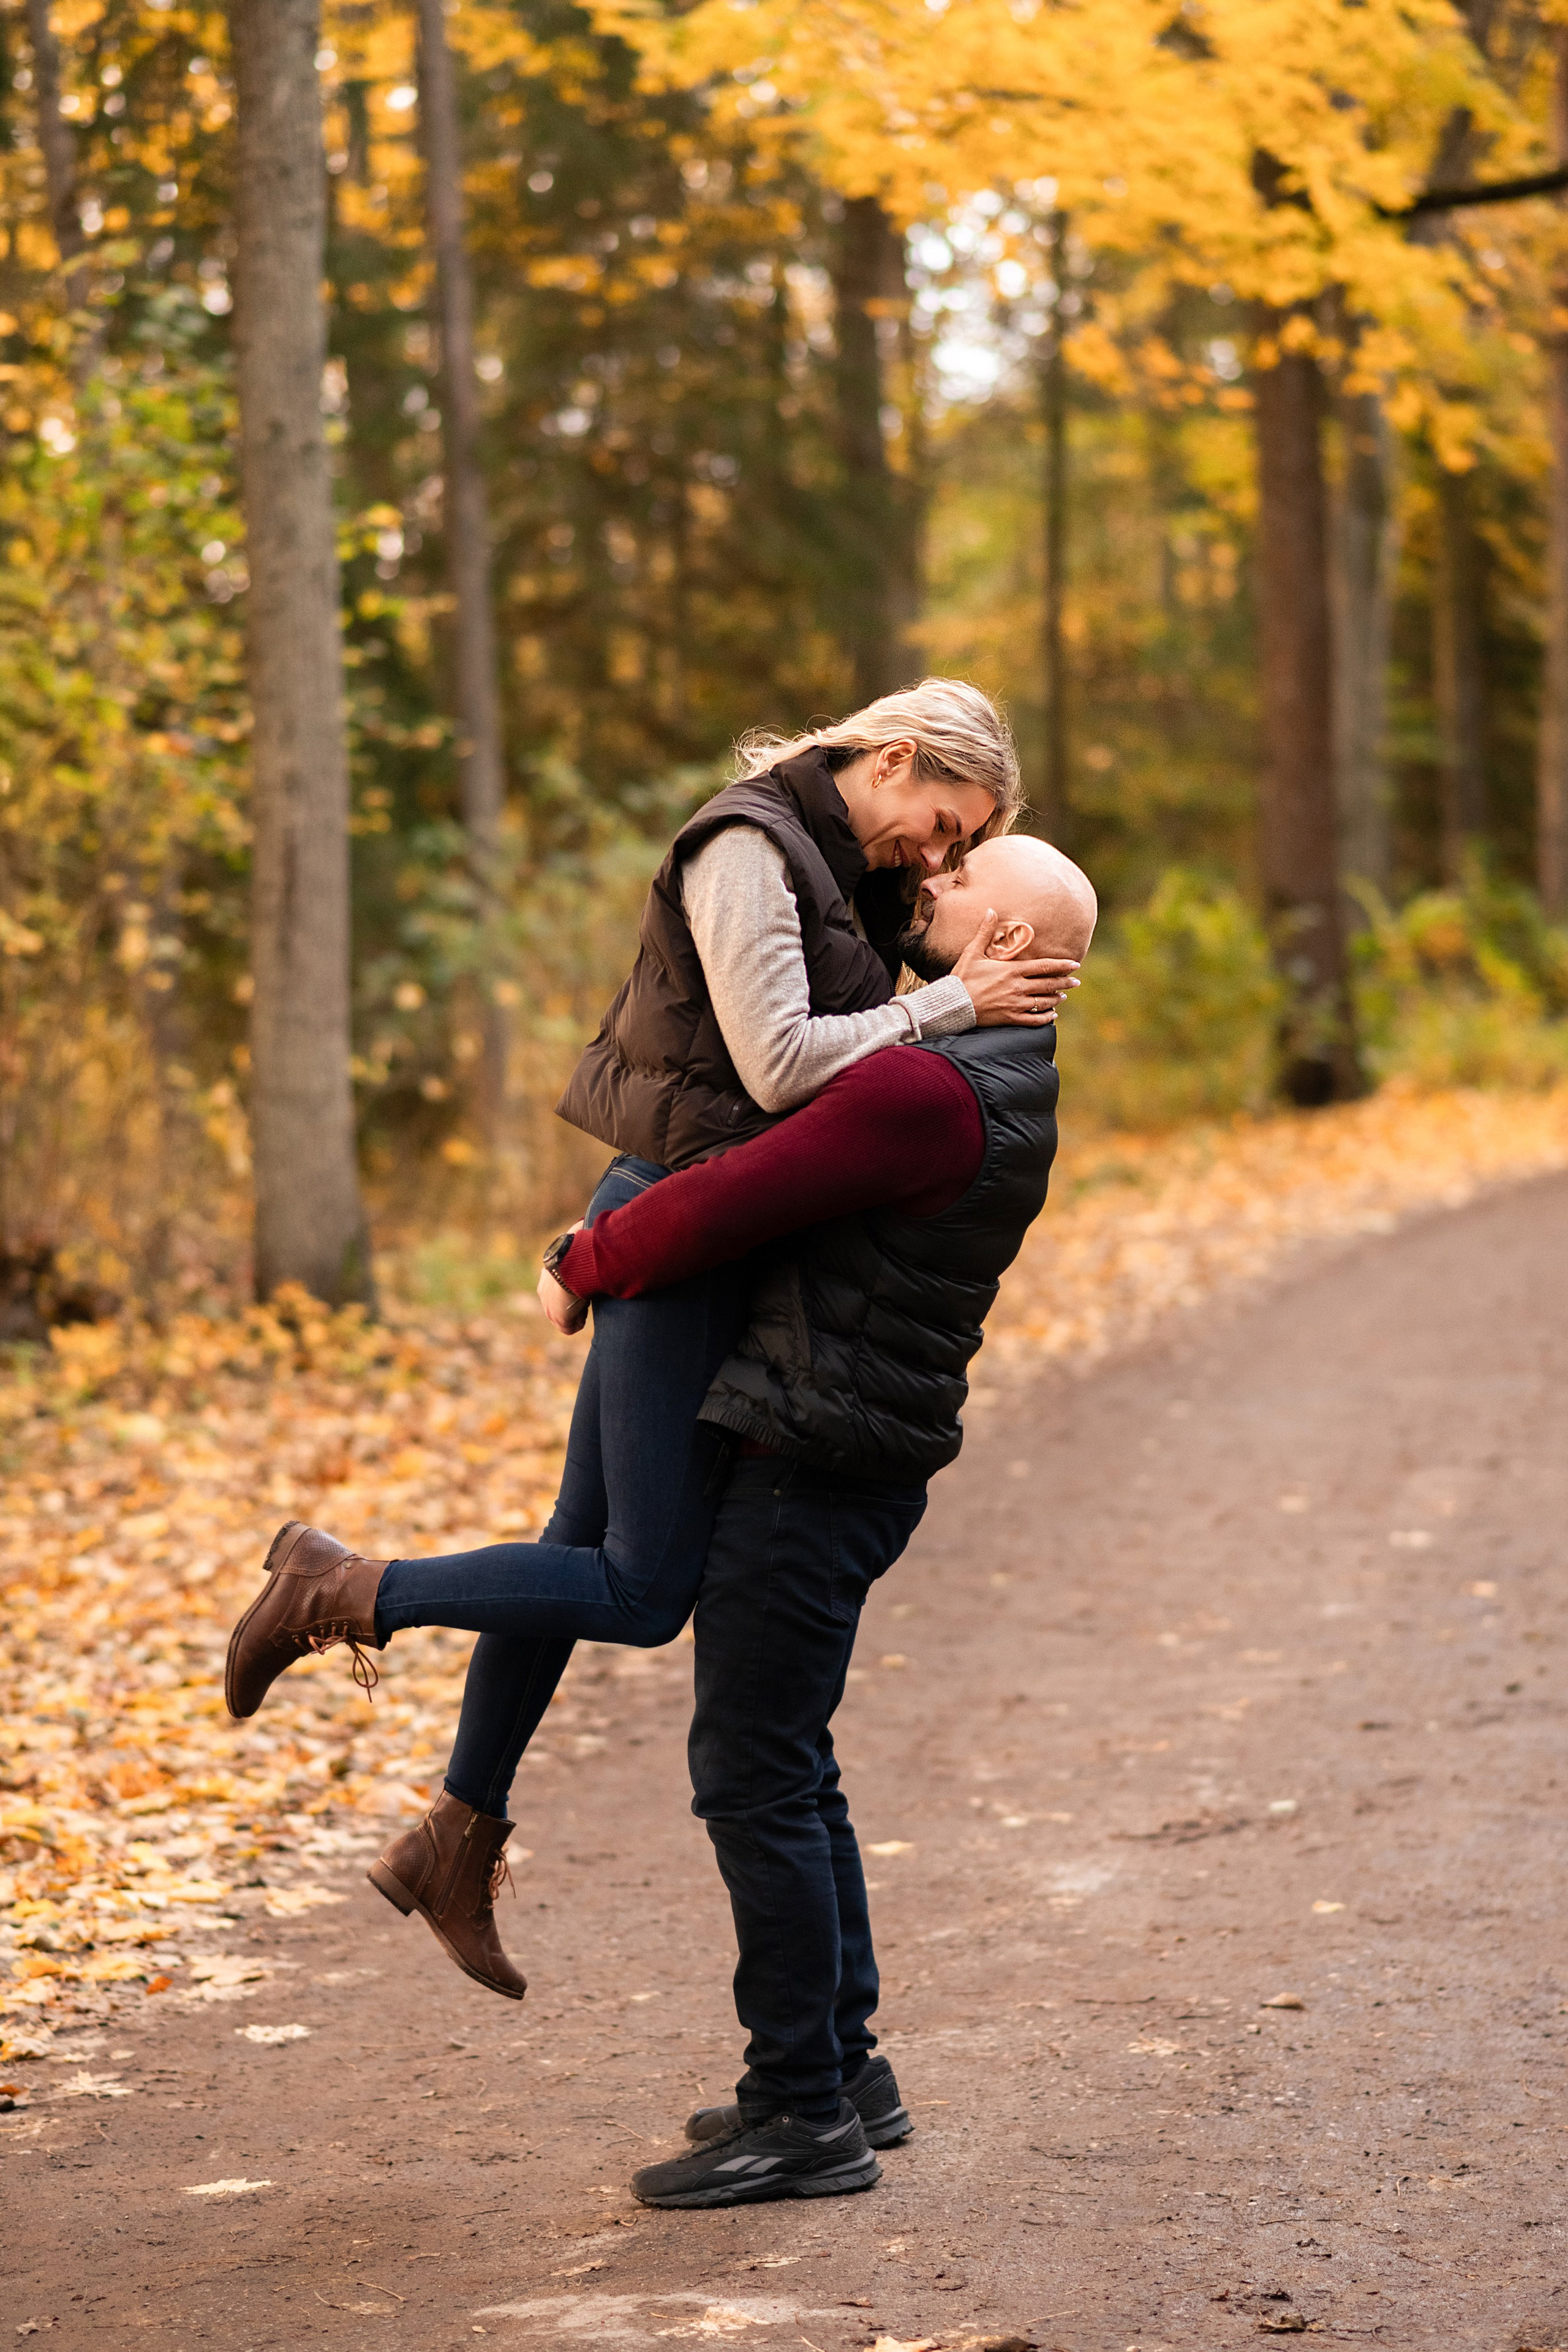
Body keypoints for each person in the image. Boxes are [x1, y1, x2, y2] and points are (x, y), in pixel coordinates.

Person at [223, 682, 1079, 2003]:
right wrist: (955, 1002)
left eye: (958, 852)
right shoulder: (744, 850)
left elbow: (910, 1007)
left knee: (578, 1542)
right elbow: (787, 1065)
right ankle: (342, 1587)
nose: (936, 856)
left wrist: (1005, 975)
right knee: (638, 1584)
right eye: (942, 824)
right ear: (895, 757)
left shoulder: (844, 862)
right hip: (675, 1226)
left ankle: (458, 1834)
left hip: (700, 1223)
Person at [530, 833, 1099, 2207]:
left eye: (966, 879)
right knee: (792, 1764)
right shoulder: (998, 1067)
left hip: (808, 1457)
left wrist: (584, 1260)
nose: (938, 881)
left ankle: (799, 2113)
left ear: (1007, 944)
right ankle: (843, 2070)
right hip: (849, 1454)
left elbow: (731, 1198)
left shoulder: (921, 1085)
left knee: (753, 1777)